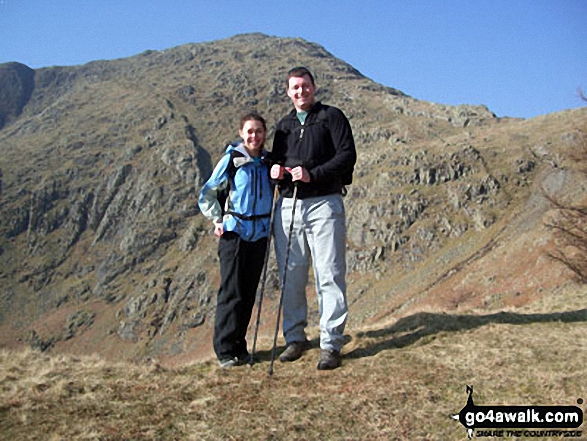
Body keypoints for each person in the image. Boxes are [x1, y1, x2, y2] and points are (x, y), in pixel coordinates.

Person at [271, 67, 356, 370]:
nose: (300, 92)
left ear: (314, 87)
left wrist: (313, 174)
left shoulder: (332, 117)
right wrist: (276, 171)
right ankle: (295, 338)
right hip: (288, 206)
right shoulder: (283, 126)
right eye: (295, 88)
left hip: (324, 204)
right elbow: (277, 161)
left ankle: (330, 342)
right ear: (288, 92)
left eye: (304, 86)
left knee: (328, 272)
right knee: (291, 274)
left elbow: (347, 155)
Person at [199, 112, 273, 368]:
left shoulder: (268, 163)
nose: (254, 136)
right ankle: (224, 350)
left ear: (265, 133)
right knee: (232, 292)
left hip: (260, 235)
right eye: (249, 131)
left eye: (259, 131)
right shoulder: (231, 160)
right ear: (242, 134)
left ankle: (239, 348)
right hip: (235, 233)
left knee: (248, 294)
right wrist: (218, 220)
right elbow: (208, 193)